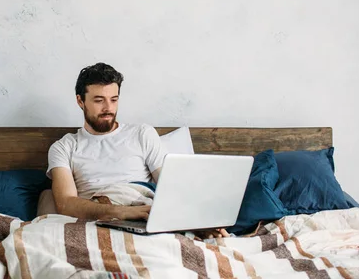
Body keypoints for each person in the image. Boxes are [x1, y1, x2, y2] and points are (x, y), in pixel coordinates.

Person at [47, 62, 227, 239]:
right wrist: (121, 212)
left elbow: (172, 187)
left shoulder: (141, 134)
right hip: (101, 220)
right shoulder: (64, 147)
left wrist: (198, 223)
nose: (108, 108)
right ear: (80, 101)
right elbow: (66, 204)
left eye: (114, 100)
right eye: (99, 100)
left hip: (143, 215)